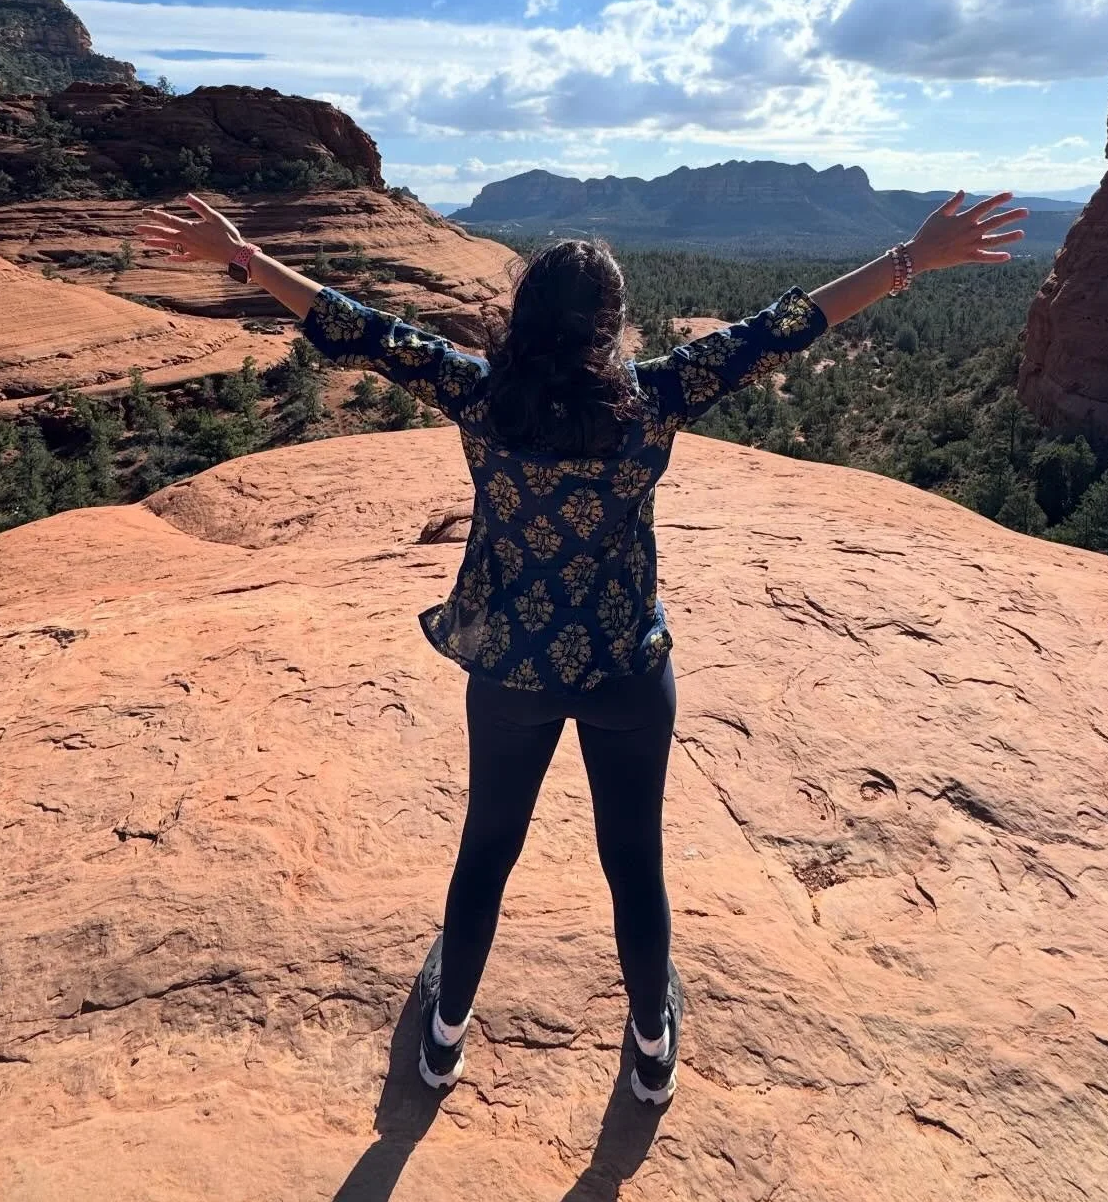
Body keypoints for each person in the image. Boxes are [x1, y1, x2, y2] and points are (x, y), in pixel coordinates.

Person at [140, 188, 1026, 1105]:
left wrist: (245, 259)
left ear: (524, 313)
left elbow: (360, 331)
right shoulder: (656, 396)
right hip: (626, 670)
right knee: (634, 860)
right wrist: (911, 259)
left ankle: (444, 1040)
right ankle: (651, 1049)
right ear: (611, 323)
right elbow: (784, 327)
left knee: (487, 850)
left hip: (510, 670)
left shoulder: (477, 393)